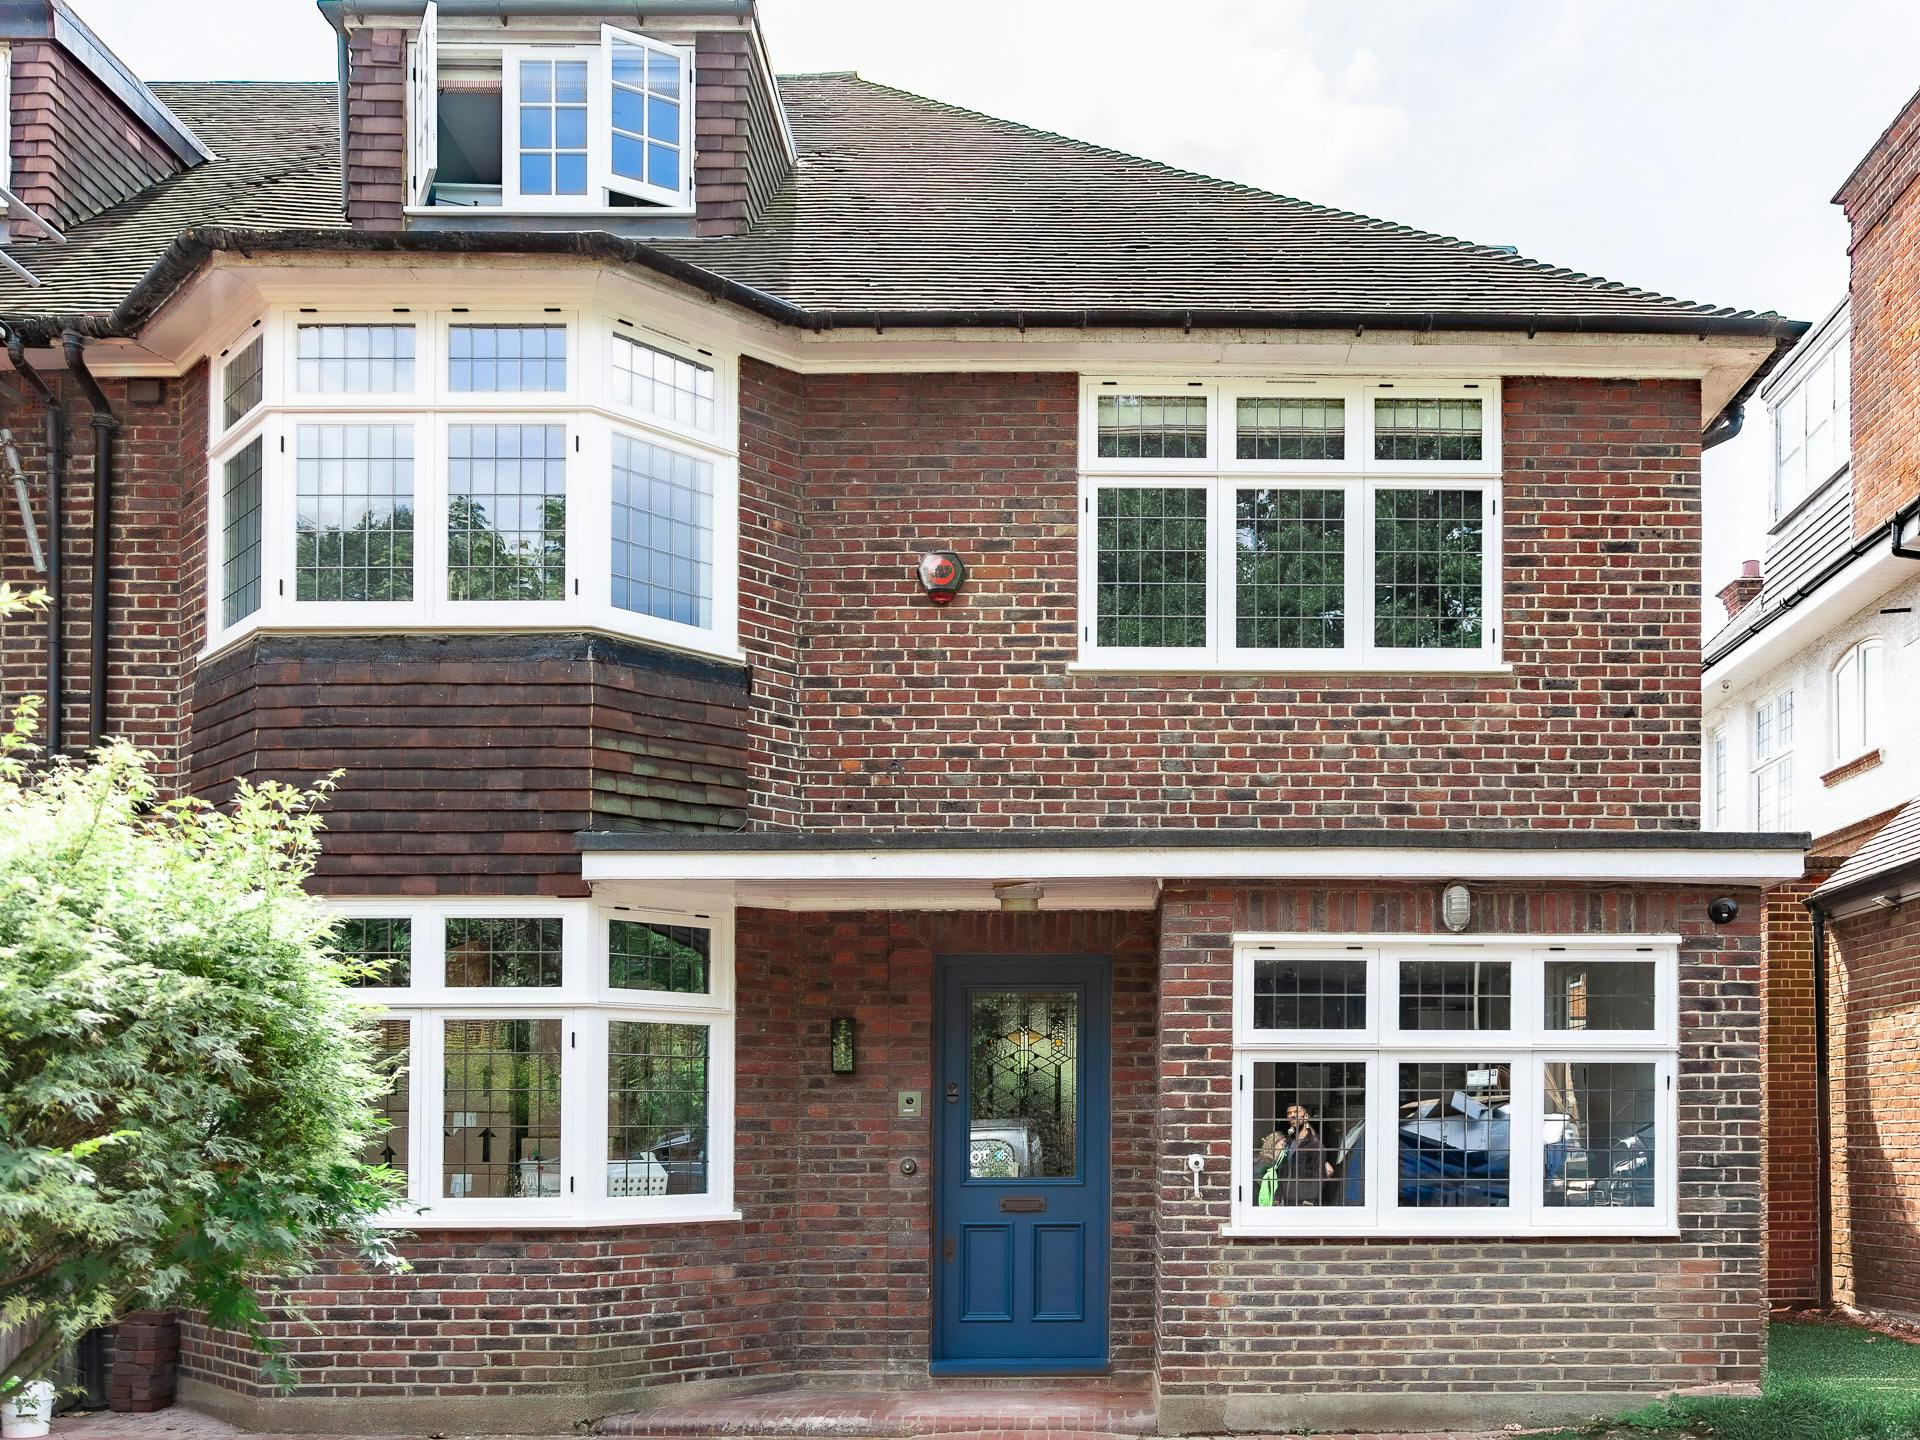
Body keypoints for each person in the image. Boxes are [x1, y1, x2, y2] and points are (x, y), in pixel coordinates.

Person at [1255, 1102, 1335, 1206]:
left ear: (1305, 1117)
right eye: (1289, 1113)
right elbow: (1283, 1173)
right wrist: (1277, 1197)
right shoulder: (1290, 1143)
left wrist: (1310, 1200)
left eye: (1296, 1112)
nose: (1292, 1115)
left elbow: (1319, 1175)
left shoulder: (1314, 1145)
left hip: (1304, 1203)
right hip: (1288, 1201)